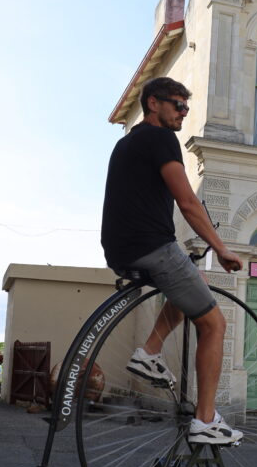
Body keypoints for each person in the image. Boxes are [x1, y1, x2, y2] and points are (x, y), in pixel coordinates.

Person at [101, 77, 244, 445]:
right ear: (153, 104)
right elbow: (188, 202)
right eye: (177, 104)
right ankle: (206, 421)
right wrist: (222, 247)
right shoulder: (160, 139)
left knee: (189, 283)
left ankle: (150, 351)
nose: (183, 112)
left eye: (186, 106)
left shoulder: (126, 143)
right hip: (153, 246)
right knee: (214, 325)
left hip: (120, 249)